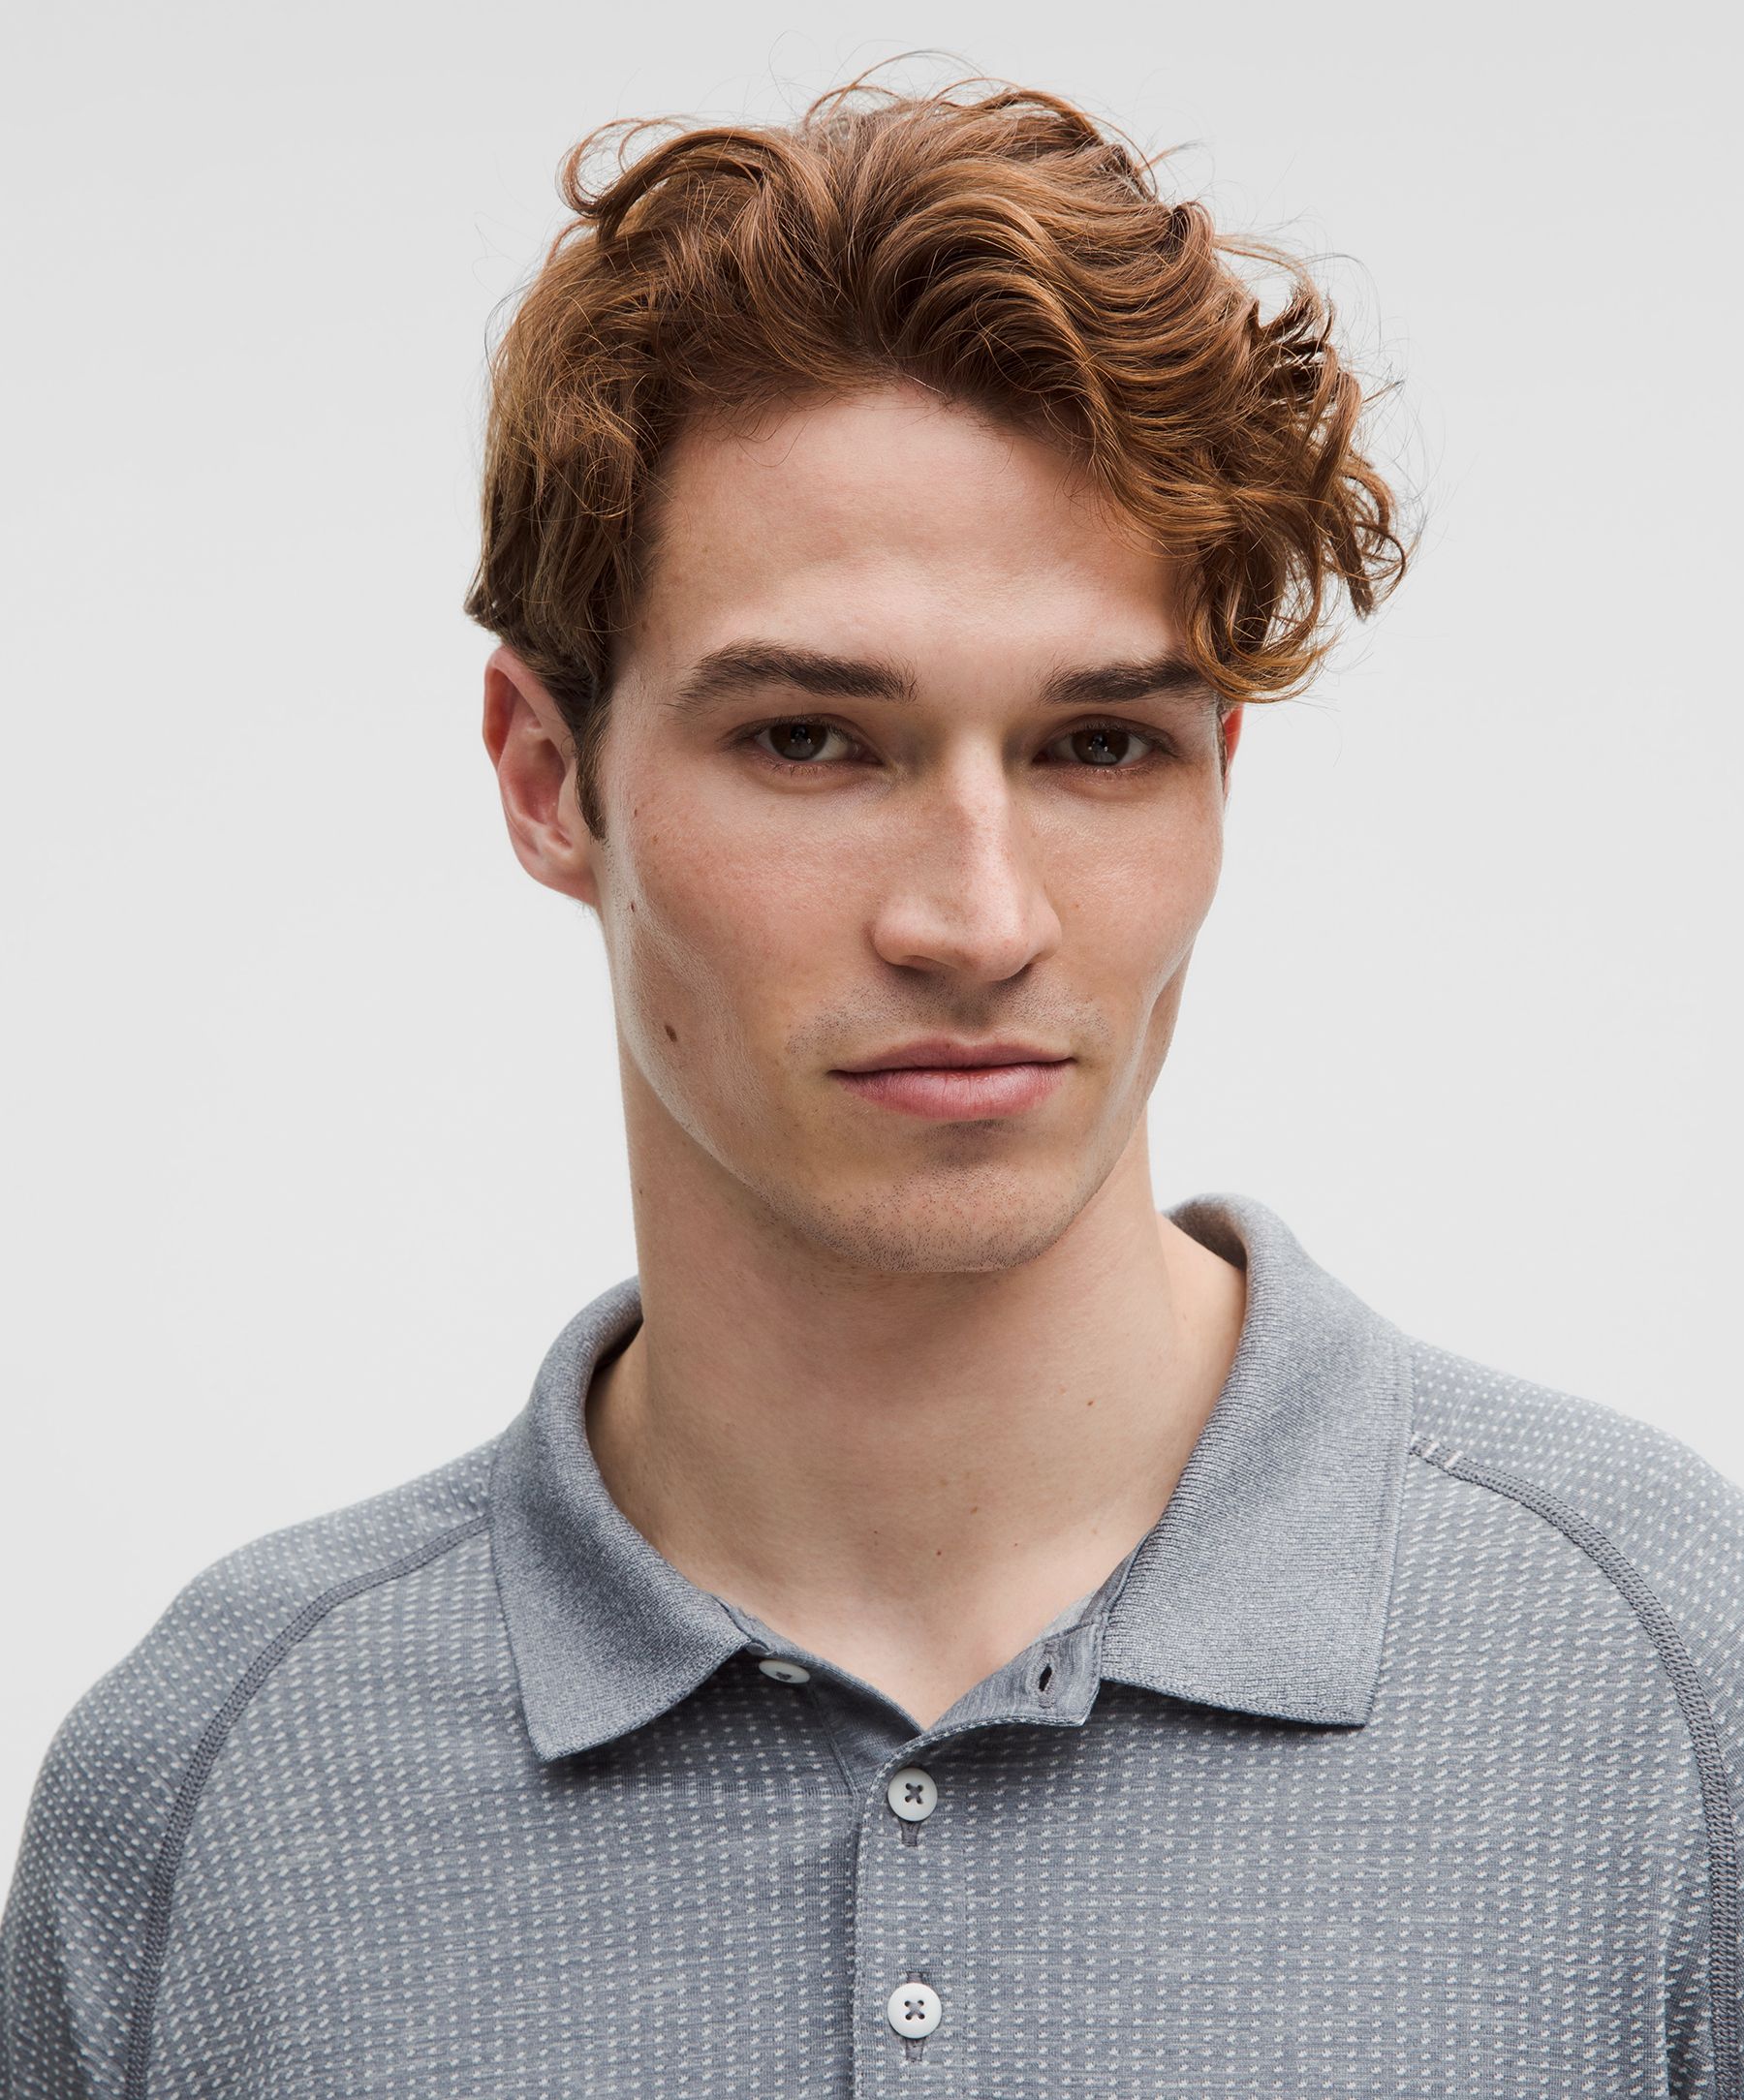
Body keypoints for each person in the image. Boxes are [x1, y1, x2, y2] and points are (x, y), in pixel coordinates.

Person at [5, 67, 1741, 2100]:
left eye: (1100, 746)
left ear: (1218, 780)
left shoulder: (1668, 1690)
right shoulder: (219, 1789)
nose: (978, 919)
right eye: (814, 742)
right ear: (549, 779)